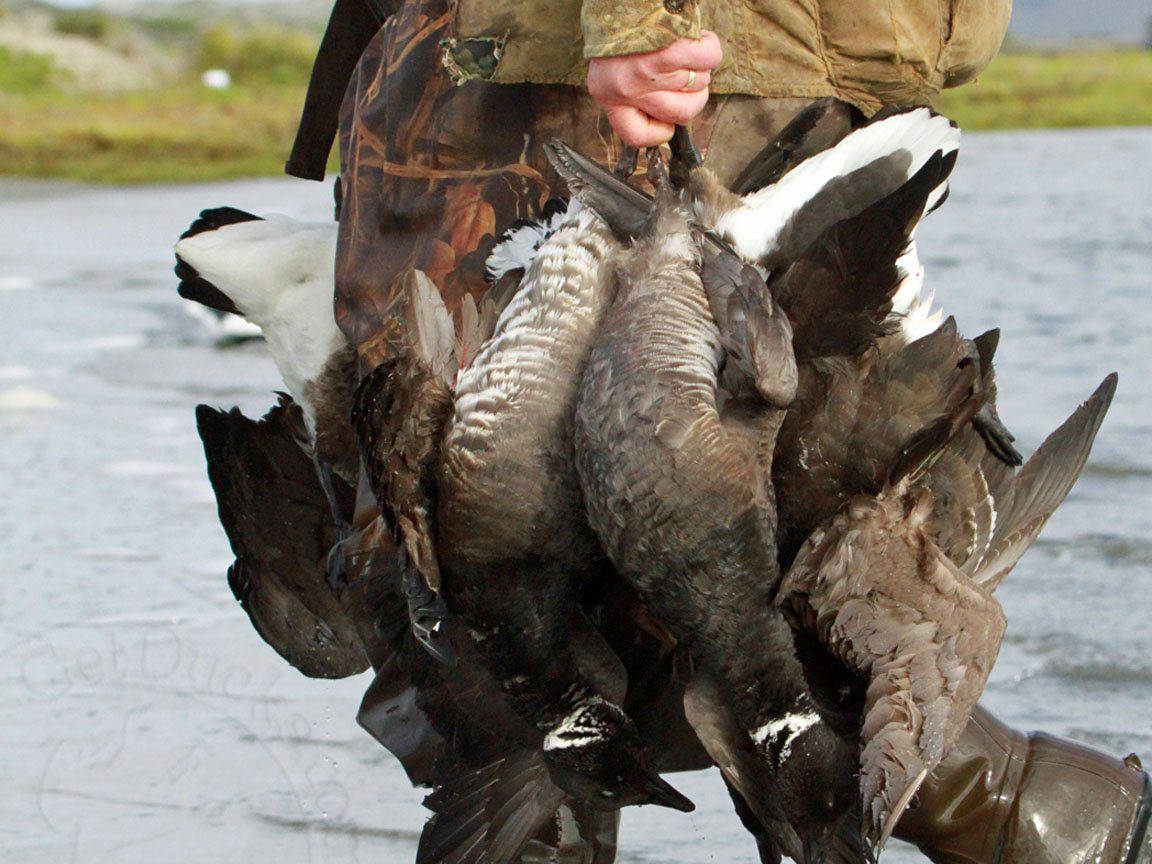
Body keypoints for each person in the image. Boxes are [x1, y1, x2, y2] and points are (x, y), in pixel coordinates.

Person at [284, 1, 1152, 861]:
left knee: (503, 615)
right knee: (563, 614)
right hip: (633, 64)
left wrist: (639, 27)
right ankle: (1052, 820)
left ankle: (1030, 816)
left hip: (636, 71)